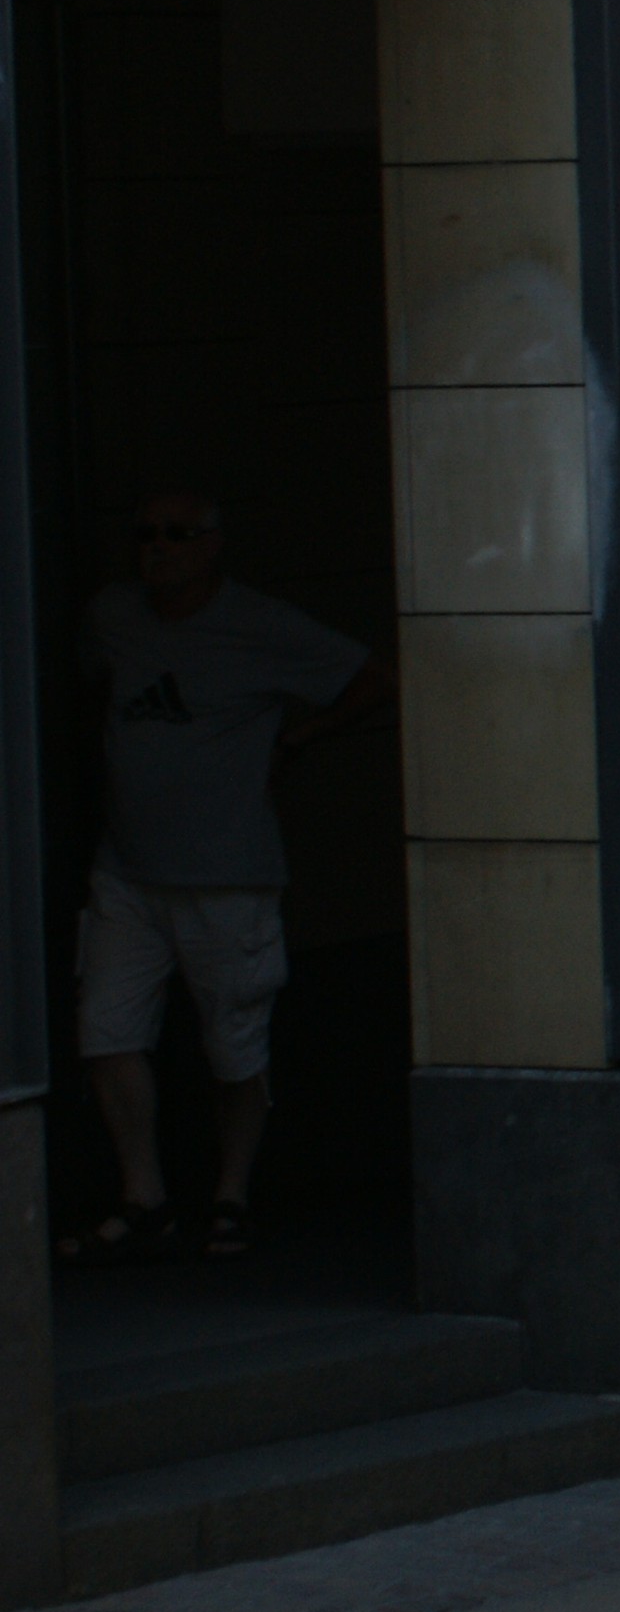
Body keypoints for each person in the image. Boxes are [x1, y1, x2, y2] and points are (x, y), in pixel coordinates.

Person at [61, 492, 390, 1265]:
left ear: (212, 545)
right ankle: (144, 1196)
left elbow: (374, 678)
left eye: (178, 533)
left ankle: (231, 1193)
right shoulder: (115, 614)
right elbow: (90, 683)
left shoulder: (260, 624)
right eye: (146, 533)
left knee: (234, 1044)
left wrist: (299, 739)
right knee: (105, 1031)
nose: (158, 546)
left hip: (228, 876)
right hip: (128, 871)